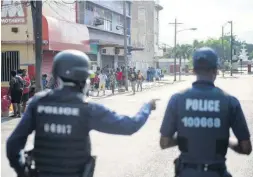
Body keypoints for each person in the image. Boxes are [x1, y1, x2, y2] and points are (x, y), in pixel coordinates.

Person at [6, 50, 159, 177]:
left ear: (57, 75)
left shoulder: (38, 103)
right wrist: (147, 107)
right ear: (84, 80)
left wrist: (24, 172)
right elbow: (129, 126)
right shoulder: (87, 109)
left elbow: (13, 145)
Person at [159, 47, 252, 177]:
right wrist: (226, 141)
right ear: (216, 71)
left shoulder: (177, 99)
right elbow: (246, 148)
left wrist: (189, 138)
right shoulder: (230, 102)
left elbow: (164, 142)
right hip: (216, 172)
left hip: (186, 172)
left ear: (194, 71)